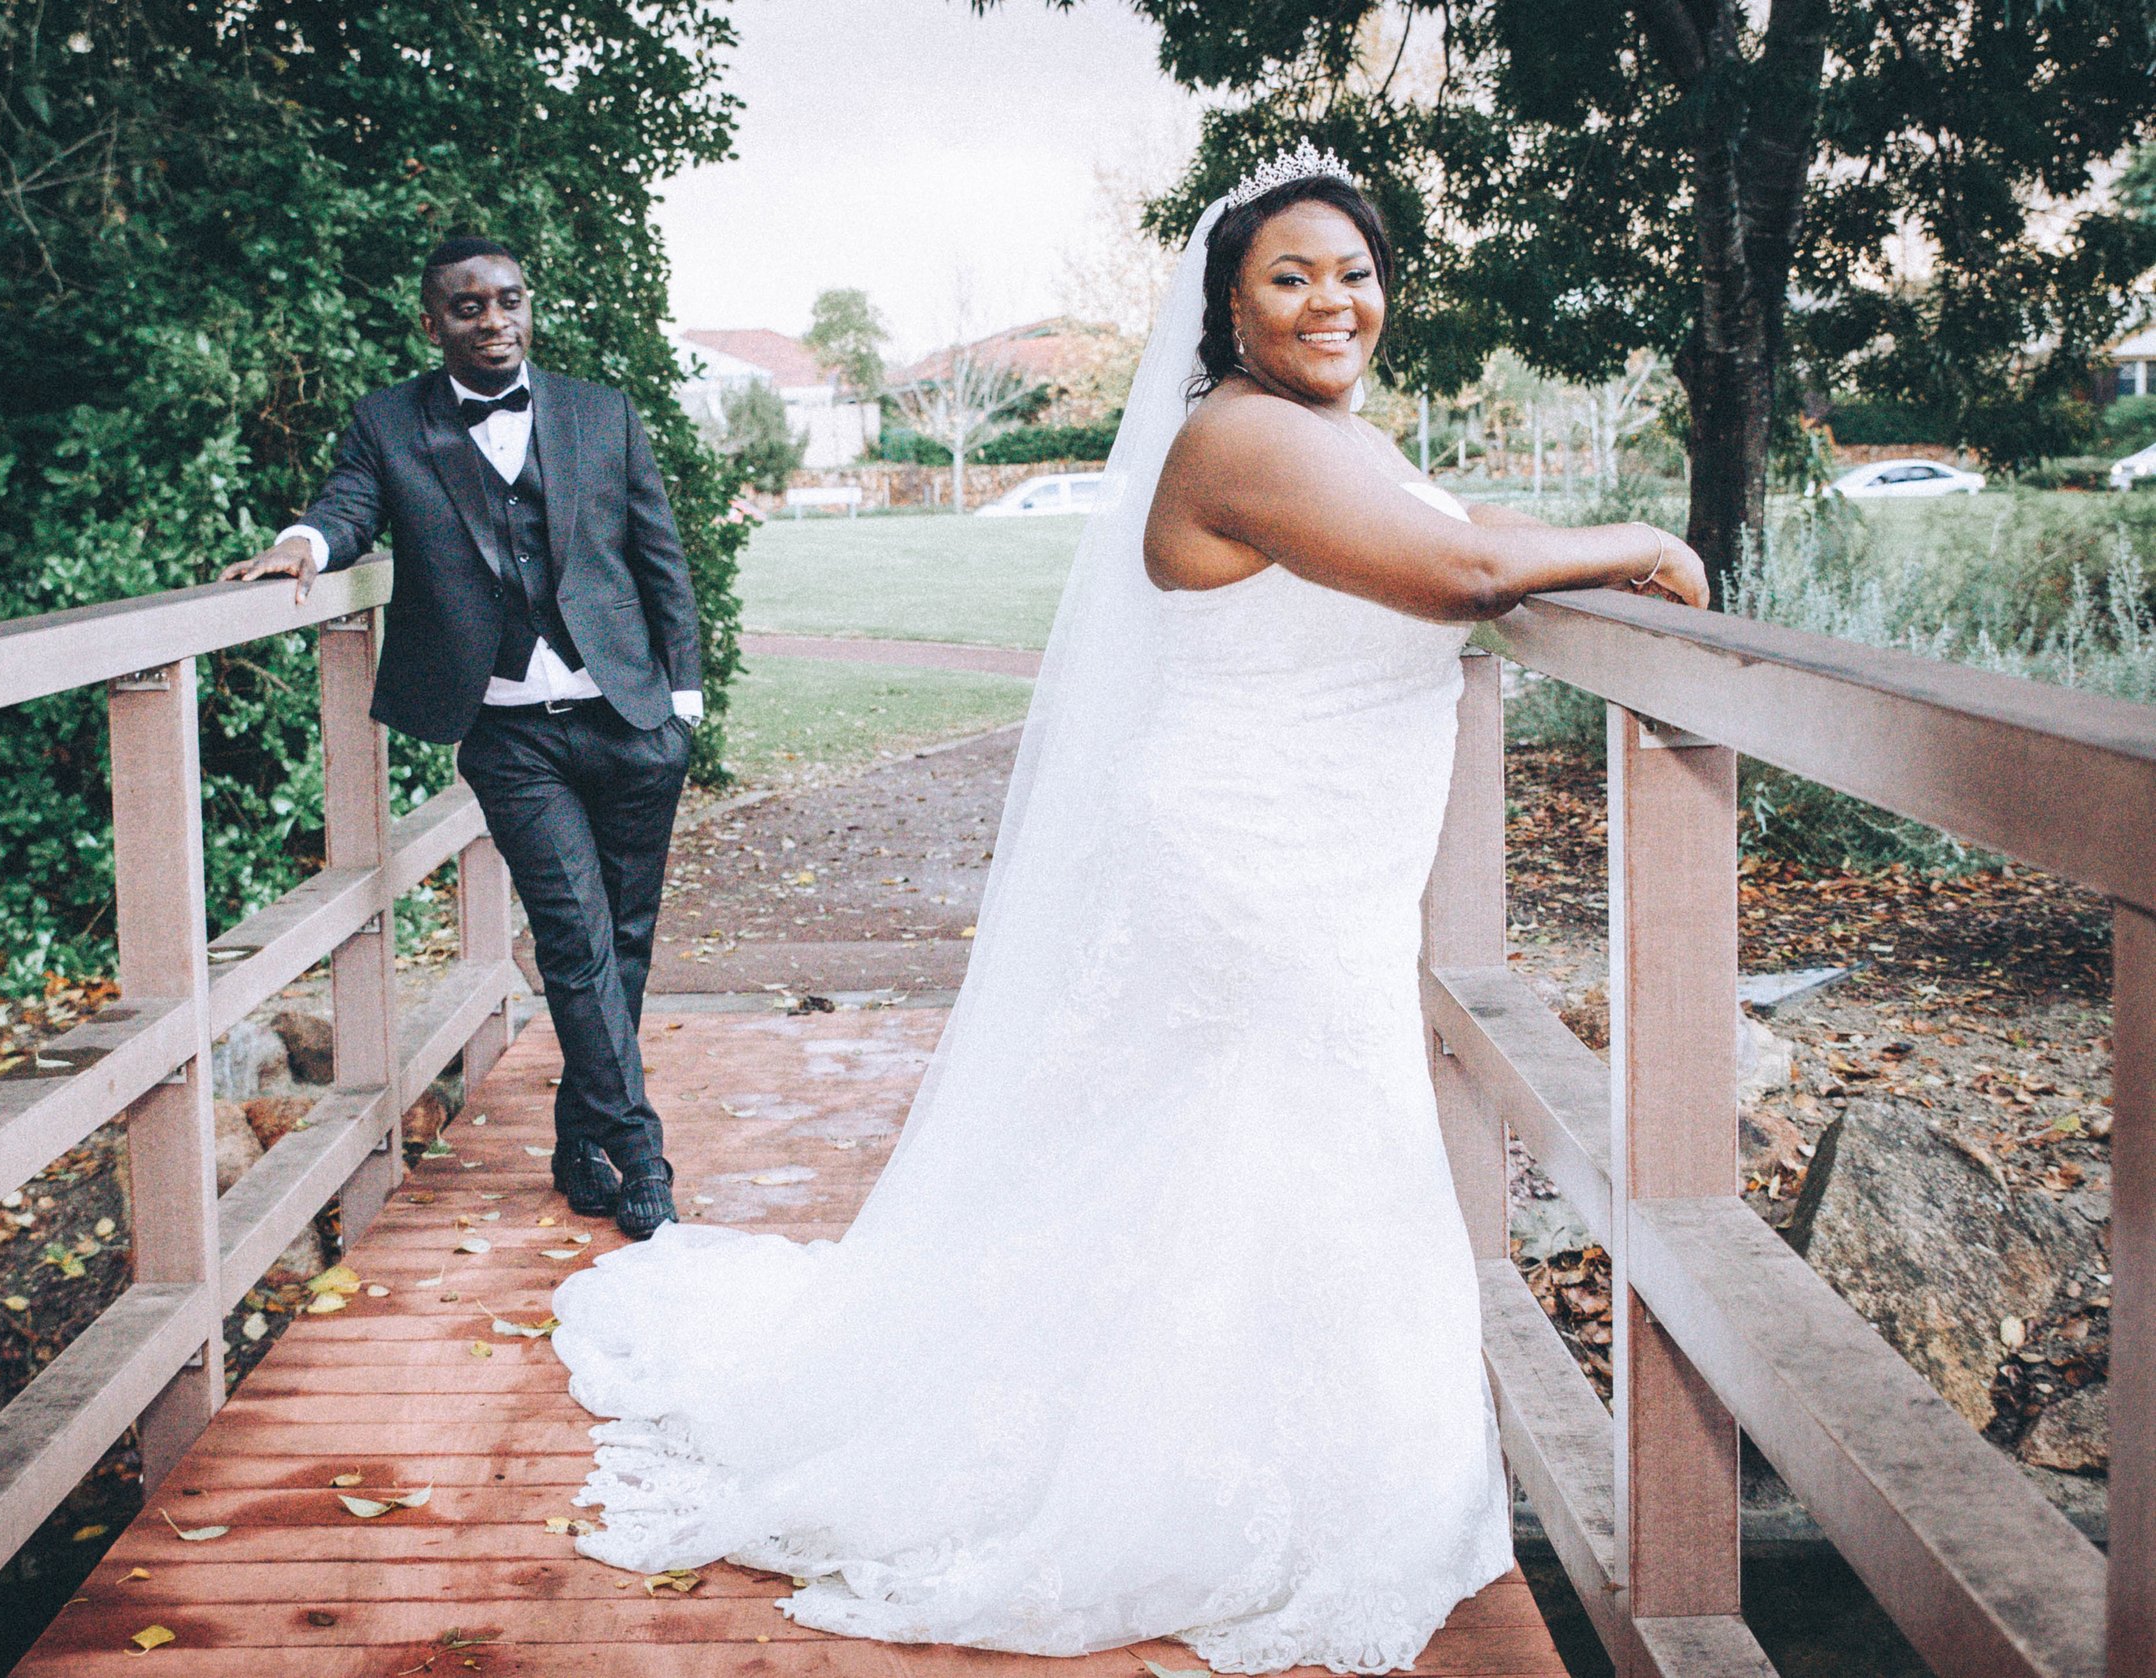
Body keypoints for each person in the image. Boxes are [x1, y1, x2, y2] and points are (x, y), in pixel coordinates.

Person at [544, 146, 1706, 1675]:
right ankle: (1222, 1488)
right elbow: (1464, 567)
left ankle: (1272, 1459)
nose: (1332, 299)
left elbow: (1446, 518)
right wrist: (1646, 543)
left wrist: (1554, 539)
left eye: (1355, 272)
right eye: (1290, 276)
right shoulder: (1241, 435)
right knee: (1298, 1139)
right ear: (1229, 311)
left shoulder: (1323, 435)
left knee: (1261, 1149)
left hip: (1317, 853)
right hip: (1254, 856)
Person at [220, 236, 704, 1242]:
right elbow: (349, 505)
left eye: (508, 301)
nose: (493, 321)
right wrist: (302, 546)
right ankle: (641, 1156)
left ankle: (581, 1141)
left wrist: (683, 706)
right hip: (508, 732)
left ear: (528, 306)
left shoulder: (600, 412)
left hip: (628, 717)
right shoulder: (389, 422)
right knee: (574, 937)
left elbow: (660, 554)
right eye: (468, 307)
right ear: (431, 321)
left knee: (623, 943)